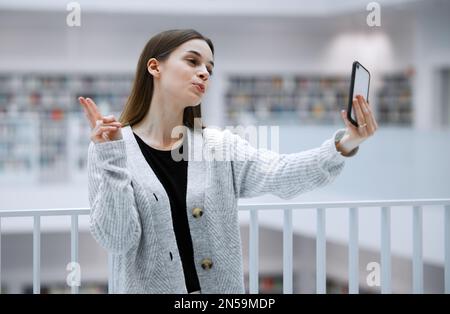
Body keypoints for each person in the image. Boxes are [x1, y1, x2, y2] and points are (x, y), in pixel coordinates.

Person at [78, 29, 378, 294]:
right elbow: (117, 239)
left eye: (209, 67)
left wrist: (345, 143)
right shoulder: (110, 148)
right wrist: (113, 158)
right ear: (155, 66)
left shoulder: (219, 146)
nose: (205, 73)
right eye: (193, 61)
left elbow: (281, 173)